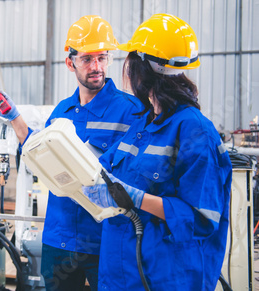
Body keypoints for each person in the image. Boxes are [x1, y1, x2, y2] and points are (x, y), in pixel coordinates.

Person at [0, 15, 142, 290]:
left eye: (102, 58)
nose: (97, 67)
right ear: (70, 62)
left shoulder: (131, 111)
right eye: (87, 59)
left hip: (106, 238)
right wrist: (15, 118)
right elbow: (39, 154)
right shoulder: (63, 111)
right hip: (59, 237)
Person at [82, 14, 232, 290]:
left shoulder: (194, 131)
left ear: (142, 69)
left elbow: (201, 218)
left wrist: (135, 198)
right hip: (119, 274)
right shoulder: (143, 123)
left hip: (164, 277)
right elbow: (108, 168)